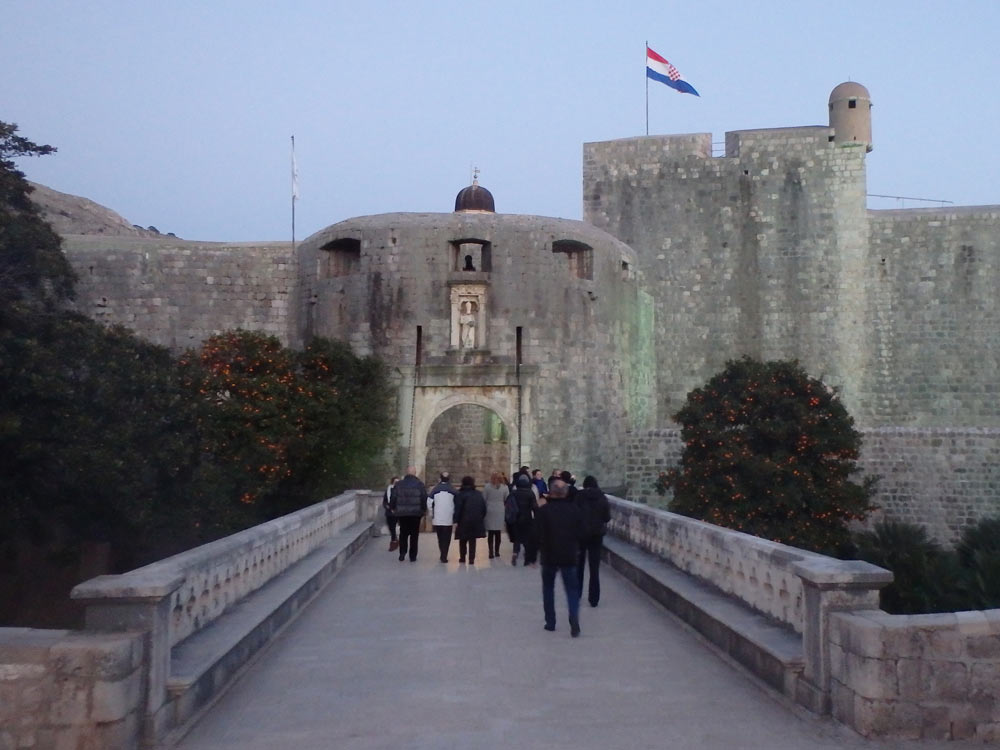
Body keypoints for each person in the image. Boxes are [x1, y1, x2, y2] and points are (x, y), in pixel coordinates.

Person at [536, 479, 585, 637]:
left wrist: (531, 556)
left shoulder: (544, 511)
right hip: (569, 554)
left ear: (551, 492)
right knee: (572, 589)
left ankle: (550, 621)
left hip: (549, 554)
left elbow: (536, 534)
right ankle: (574, 617)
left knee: (548, 588)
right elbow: (582, 532)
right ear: (565, 493)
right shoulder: (575, 510)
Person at [575, 475, 612, 607]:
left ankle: (577, 593)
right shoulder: (602, 498)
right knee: (594, 567)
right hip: (596, 535)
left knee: (579, 565)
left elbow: (573, 513)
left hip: (580, 535)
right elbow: (607, 518)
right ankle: (594, 598)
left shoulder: (579, 497)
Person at [389, 466, 427, 562]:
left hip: (402, 513)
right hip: (415, 514)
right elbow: (424, 498)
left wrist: (393, 508)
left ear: (407, 472)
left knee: (403, 534)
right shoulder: (420, 484)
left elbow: (393, 497)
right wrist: (423, 510)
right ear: (415, 473)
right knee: (414, 535)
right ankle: (412, 556)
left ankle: (402, 553)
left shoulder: (399, 484)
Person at [453, 476, 487, 564]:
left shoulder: (460, 494)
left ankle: (462, 557)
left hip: (463, 520)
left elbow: (458, 508)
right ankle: (471, 559)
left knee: (463, 539)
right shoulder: (478, 494)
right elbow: (483, 508)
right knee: (472, 540)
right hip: (475, 520)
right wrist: (480, 517)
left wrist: (456, 520)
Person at [510, 474, 538, 566]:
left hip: (516, 518)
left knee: (517, 537)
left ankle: (515, 553)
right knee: (527, 538)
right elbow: (534, 507)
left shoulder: (514, 493)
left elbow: (508, 505)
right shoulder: (530, 493)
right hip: (527, 518)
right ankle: (527, 559)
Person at [427, 472, 456, 563]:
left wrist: (431, 513)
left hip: (438, 518)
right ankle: (444, 554)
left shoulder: (435, 489)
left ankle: (442, 553)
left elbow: (429, 502)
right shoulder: (453, 490)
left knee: (440, 537)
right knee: (447, 537)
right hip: (448, 517)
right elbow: (457, 502)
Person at [482, 471, 507, 559]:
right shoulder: (504, 487)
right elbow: (507, 499)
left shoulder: (487, 487)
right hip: (500, 509)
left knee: (491, 533)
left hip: (490, 509)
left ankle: (490, 552)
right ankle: (497, 551)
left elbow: (483, 498)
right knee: (498, 532)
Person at [382, 476, 399, 551]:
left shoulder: (401, 490)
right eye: (395, 481)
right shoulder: (388, 490)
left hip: (398, 512)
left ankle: (394, 542)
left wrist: (395, 509)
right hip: (389, 512)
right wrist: (388, 507)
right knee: (391, 527)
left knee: (398, 527)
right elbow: (385, 501)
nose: (396, 483)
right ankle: (394, 539)